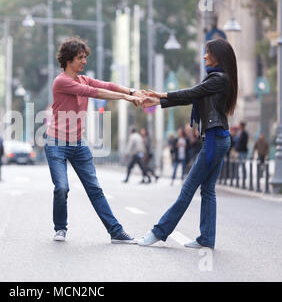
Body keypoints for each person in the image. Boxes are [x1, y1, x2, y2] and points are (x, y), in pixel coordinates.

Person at [137, 38, 238, 249]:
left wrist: (162, 94)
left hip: (215, 140)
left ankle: (159, 232)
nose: (204, 56)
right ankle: (206, 238)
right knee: (208, 190)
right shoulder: (216, 78)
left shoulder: (219, 79)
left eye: (207, 52)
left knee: (188, 189)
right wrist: (158, 101)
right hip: (217, 138)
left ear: (217, 56)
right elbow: (191, 98)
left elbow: (192, 93)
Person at [44, 37, 144, 244]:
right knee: (62, 187)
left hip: (79, 144)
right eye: (80, 58)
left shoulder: (83, 79)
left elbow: (106, 84)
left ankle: (116, 231)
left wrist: (132, 91)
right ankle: (60, 228)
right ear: (69, 60)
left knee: (95, 189)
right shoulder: (61, 81)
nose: (84, 62)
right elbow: (93, 92)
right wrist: (127, 99)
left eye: (84, 57)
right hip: (56, 144)